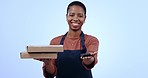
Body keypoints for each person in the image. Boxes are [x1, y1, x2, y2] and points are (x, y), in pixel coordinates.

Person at [36, 1, 99, 78]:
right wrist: (47, 62)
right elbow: (52, 73)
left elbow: (89, 62)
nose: (75, 18)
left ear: (85, 18)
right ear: (66, 17)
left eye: (80, 16)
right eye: (71, 15)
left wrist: (88, 59)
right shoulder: (55, 42)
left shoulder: (91, 40)